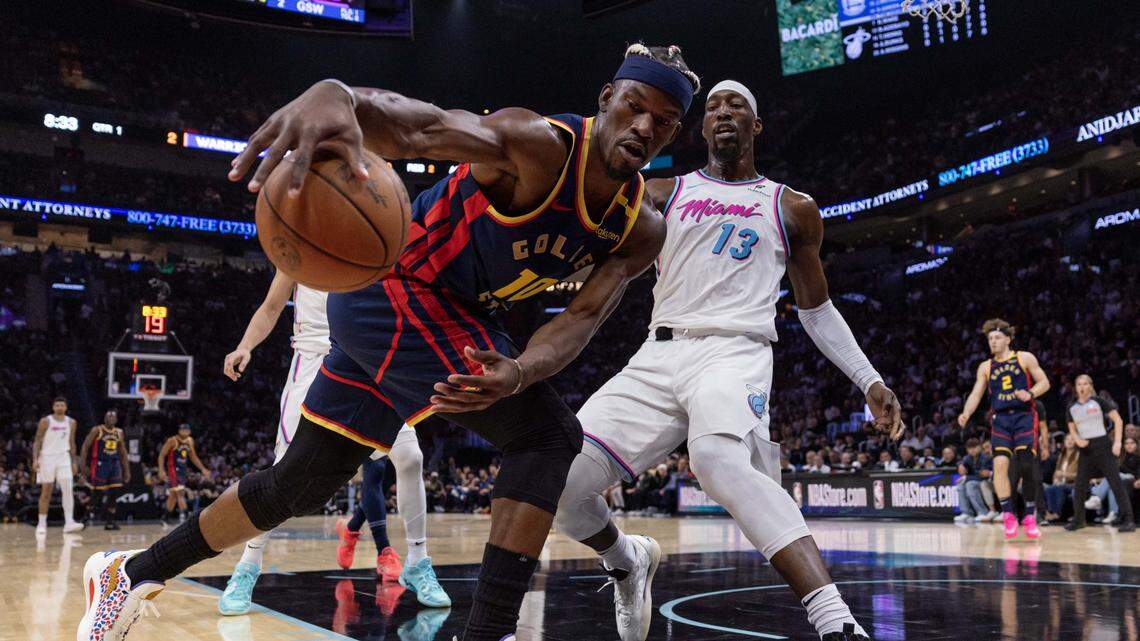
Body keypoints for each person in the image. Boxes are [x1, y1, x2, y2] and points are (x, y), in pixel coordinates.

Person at [80, 43, 698, 641]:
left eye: (664, 121)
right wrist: (341, 98)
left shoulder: (640, 228)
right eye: (634, 107)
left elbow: (582, 316)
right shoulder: (535, 144)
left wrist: (521, 370)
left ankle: (129, 573)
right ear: (606, 97)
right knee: (547, 437)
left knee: (298, 485)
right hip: (399, 289)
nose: (645, 127)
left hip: (438, 317)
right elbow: (421, 128)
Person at [553, 80, 901, 641]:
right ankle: (625, 561)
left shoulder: (791, 207)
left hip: (734, 351)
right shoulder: (663, 191)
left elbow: (816, 311)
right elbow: (595, 239)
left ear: (755, 125)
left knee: (716, 457)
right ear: (701, 127)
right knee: (559, 482)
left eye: (736, 104)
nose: (722, 111)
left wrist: (868, 379)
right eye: (712, 105)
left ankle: (836, 621)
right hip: (658, 352)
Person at [216, 270, 447, 615]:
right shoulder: (300, 251)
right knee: (283, 471)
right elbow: (271, 306)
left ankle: (417, 561)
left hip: (366, 358)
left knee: (411, 457)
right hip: (314, 358)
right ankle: (248, 566)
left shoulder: (376, 249)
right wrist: (245, 346)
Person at [958, 319, 1050, 540]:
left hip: (1024, 416)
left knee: (1027, 465)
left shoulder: (1024, 357)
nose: (993, 341)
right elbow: (976, 394)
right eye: (990, 338)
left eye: (997, 337)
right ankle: (1008, 514)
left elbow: (1045, 382)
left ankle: (1029, 515)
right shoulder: (986, 367)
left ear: (1008, 339)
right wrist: (966, 412)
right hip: (1000, 419)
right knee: (999, 465)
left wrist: (1030, 394)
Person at [1065, 374, 1135, 531]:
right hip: (1085, 449)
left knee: (1115, 482)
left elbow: (1118, 420)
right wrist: (1078, 440)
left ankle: (1128, 520)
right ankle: (1079, 520)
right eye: (1079, 384)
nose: (1082, 387)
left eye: (1085, 384)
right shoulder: (1071, 407)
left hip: (1102, 445)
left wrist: (1117, 442)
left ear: (1090, 386)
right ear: (1076, 388)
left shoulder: (1099, 402)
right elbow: (1072, 429)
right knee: (1079, 485)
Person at [32, 397, 83, 534]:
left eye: (62, 405)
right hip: (47, 457)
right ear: (53, 407)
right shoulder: (46, 421)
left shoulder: (71, 422)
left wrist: (74, 461)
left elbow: (72, 442)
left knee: (68, 489)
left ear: (66, 407)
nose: (60, 407)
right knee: (46, 491)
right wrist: (35, 459)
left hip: (63, 457)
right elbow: (37, 441)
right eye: (57, 405)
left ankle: (69, 522)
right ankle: (41, 523)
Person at [78, 410, 130, 530]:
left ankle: (110, 521)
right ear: (104, 418)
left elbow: (123, 452)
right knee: (98, 492)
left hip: (115, 464)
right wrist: (83, 465)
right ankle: (85, 518)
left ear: (116, 419)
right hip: (100, 463)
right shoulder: (97, 430)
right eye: (108, 416)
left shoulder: (119, 432)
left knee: (114, 492)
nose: (111, 418)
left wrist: (126, 470)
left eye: (113, 416)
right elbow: (85, 447)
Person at [156, 423, 211, 524]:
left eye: (186, 430)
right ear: (179, 431)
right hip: (173, 470)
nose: (185, 431)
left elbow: (193, 457)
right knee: (180, 493)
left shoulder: (190, 441)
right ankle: (187, 518)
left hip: (182, 471)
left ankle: (165, 518)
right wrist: (161, 470)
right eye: (183, 429)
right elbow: (161, 455)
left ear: (189, 431)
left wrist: (203, 469)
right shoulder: (172, 440)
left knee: (173, 495)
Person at [1085, 436, 1139, 524]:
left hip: (1133, 479)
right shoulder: (1121, 457)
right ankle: (1113, 513)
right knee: (1112, 484)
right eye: (1126, 443)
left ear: (1136, 445)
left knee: (1114, 477)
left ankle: (1096, 497)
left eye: (1132, 443)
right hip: (1120, 478)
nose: (1129, 445)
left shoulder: (1138, 457)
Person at [955, 438, 996, 523]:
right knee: (960, 485)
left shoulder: (985, 457)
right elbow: (961, 462)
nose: (972, 450)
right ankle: (966, 512)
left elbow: (982, 474)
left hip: (984, 480)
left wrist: (966, 478)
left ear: (980, 447)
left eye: (974, 447)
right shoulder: (968, 458)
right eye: (969, 448)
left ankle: (982, 512)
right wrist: (960, 465)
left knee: (970, 484)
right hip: (974, 479)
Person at [1044, 434, 1079, 522]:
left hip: (1073, 484)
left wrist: (1064, 475)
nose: (1070, 441)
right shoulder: (1061, 456)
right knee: (1049, 489)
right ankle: (1051, 512)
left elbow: (1079, 475)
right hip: (1061, 483)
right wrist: (1055, 479)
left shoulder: (1079, 456)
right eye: (1067, 439)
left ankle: (1057, 513)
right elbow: (1056, 472)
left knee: (1060, 487)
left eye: (1072, 439)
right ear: (1064, 442)